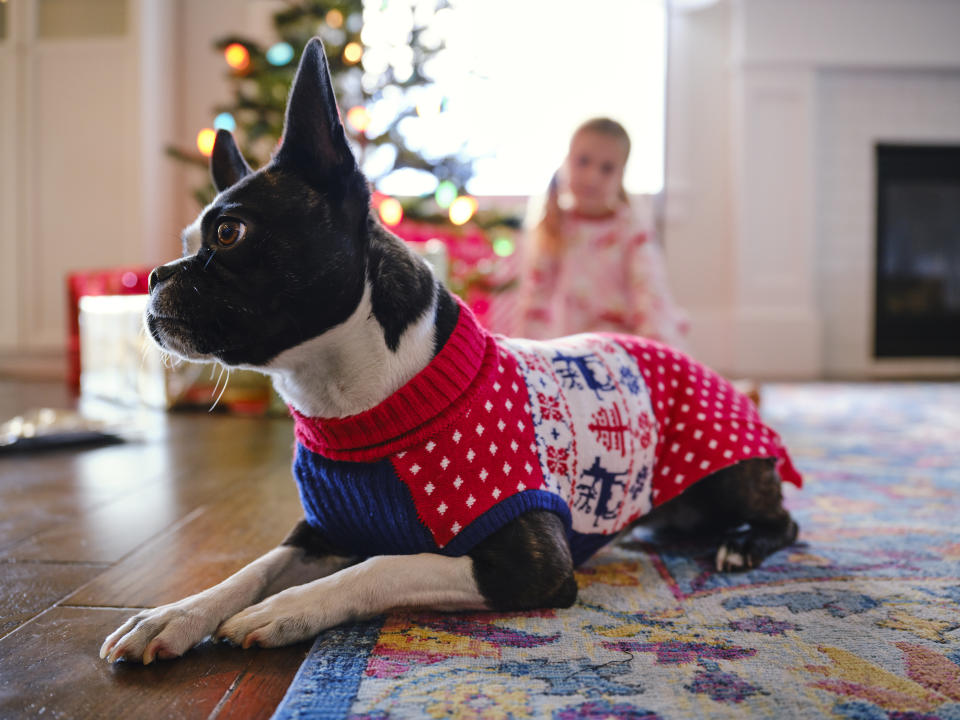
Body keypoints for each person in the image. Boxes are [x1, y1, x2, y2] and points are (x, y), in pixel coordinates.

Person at [516, 118, 688, 348]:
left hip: (625, 347)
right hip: (572, 347)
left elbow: (650, 294)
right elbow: (536, 300)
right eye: (583, 161)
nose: (592, 176)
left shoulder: (632, 230)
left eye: (607, 168)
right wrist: (527, 354)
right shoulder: (555, 225)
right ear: (567, 161)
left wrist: (652, 350)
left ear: (621, 175)